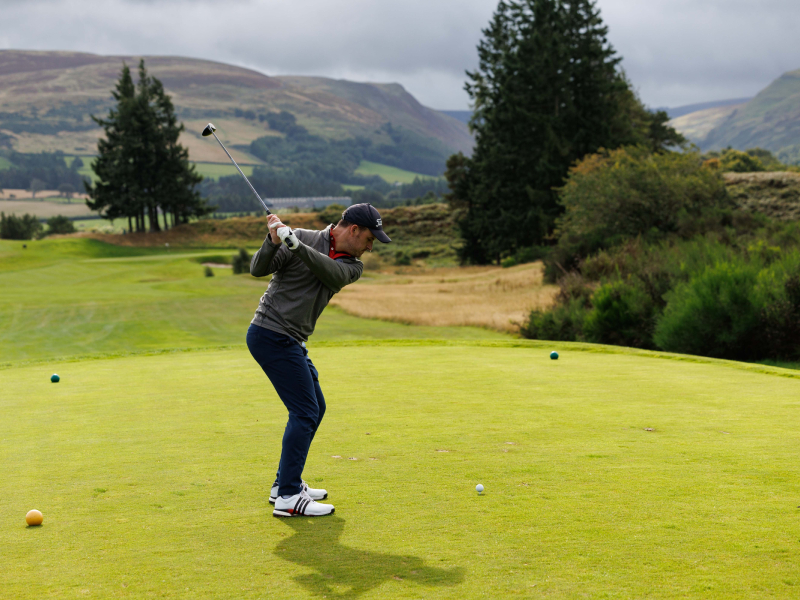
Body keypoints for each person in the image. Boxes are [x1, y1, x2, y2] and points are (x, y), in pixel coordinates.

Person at [246, 203, 391, 517]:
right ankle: (287, 497)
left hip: (291, 339)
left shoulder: (351, 266)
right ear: (353, 229)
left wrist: (295, 245)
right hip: (270, 334)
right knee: (305, 411)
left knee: (316, 407)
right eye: (370, 239)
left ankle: (284, 483)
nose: (370, 247)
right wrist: (272, 242)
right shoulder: (298, 236)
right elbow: (257, 269)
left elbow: (329, 270)